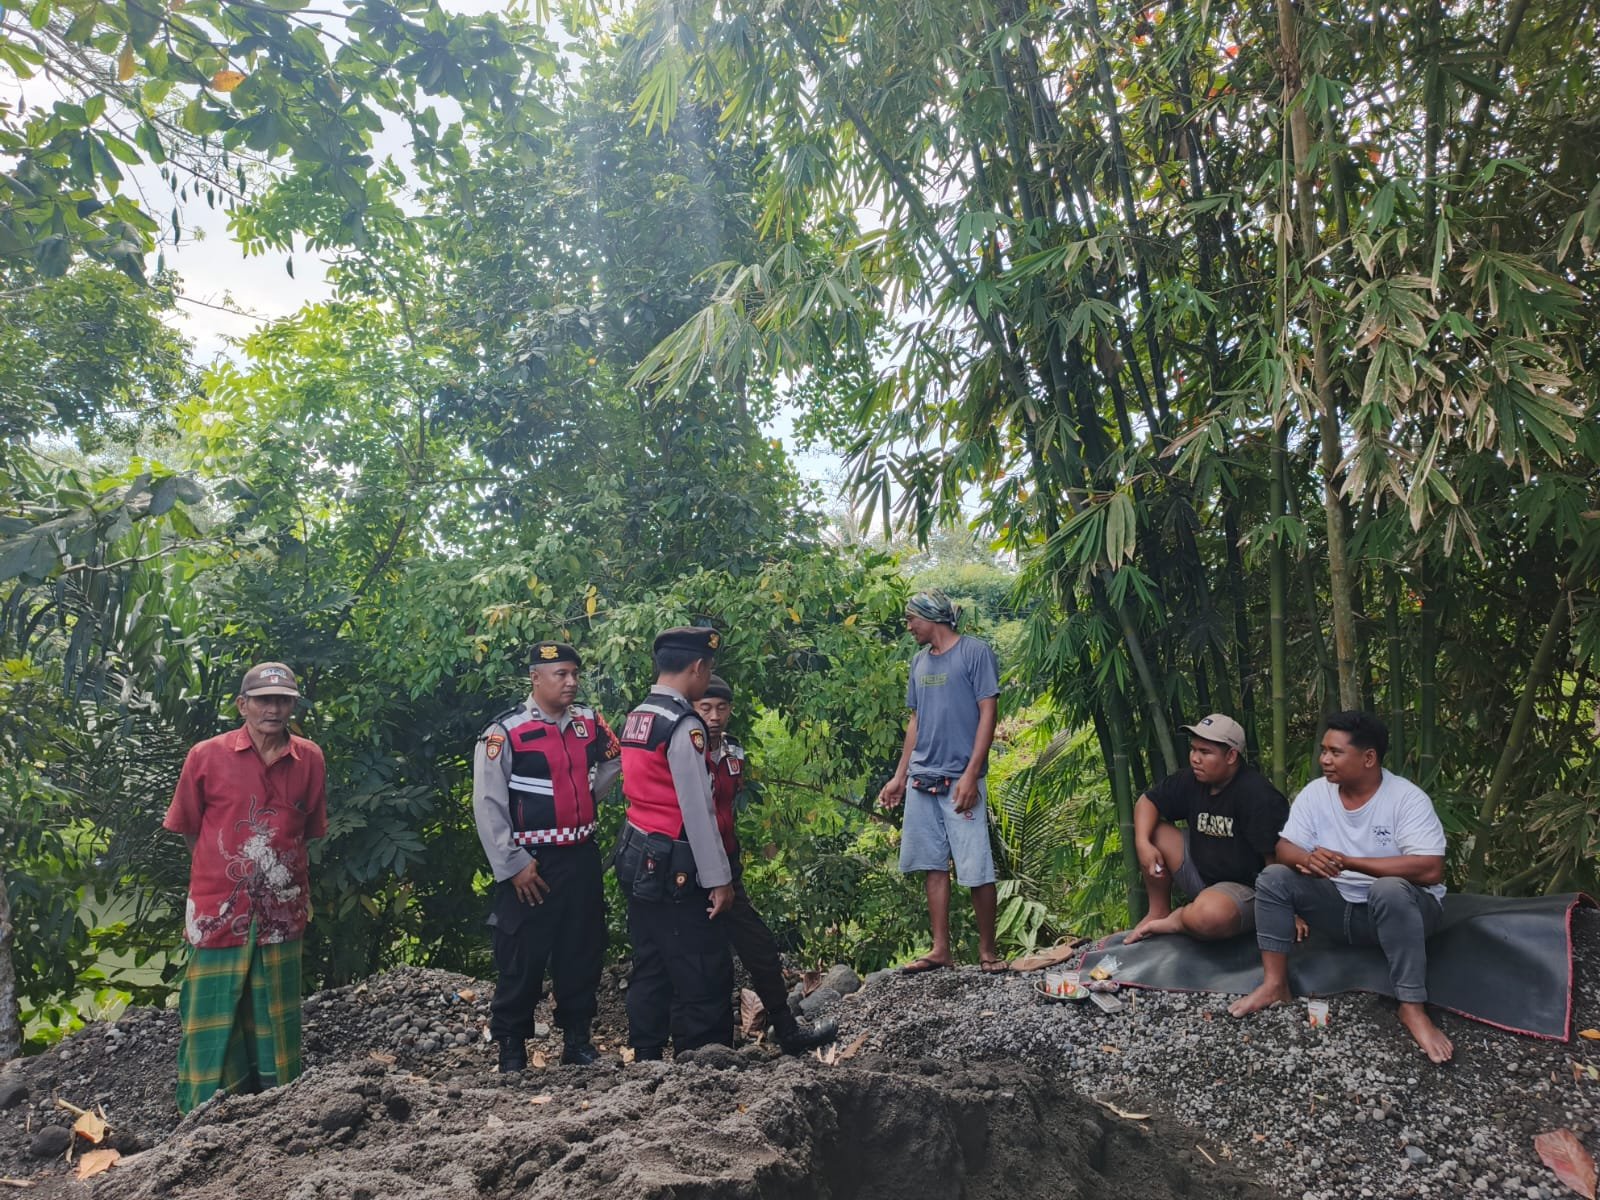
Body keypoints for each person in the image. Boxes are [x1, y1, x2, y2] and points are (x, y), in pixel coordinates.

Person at [1229, 711, 1453, 1063]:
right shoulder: (1317, 793)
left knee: (1388, 889)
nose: (1324, 760)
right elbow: (1284, 848)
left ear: (1369, 758)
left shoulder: (1406, 799)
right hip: (1339, 909)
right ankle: (1275, 984)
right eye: (1323, 750)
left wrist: (1350, 862)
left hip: (1401, 912)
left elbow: (1430, 869)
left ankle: (1411, 1006)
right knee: (1274, 877)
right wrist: (1306, 858)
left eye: (1335, 752)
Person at [163, 662, 328, 1113]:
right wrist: (222, 872)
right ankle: (204, 1112)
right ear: (243, 705)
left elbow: (307, 831)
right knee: (210, 1013)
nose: (273, 709)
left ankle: (276, 1108)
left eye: (283, 701)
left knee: (276, 1012)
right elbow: (190, 828)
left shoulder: (310, 758)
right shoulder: (206, 756)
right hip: (217, 907)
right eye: (263, 700)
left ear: (293, 706)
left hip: (282, 907)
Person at [472, 641, 621, 1072]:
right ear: (535, 678)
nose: (571, 682)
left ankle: (577, 1042)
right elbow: (487, 803)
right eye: (561, 674)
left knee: (583, 950)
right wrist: (513, 864)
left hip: (581, 855)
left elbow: (614, 761)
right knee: (522, 956)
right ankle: (511, 1050)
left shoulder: (589, 722)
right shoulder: (505, 731)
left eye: (575, 673)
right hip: (531, 864)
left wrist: (584, 801)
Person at [695, 675, 837, 1053]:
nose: (714, 716)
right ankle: (707, 1047)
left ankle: (787, 1029)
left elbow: (729, 805)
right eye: (705, 708)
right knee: (704, 959)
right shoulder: (684, 751)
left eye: (721, 708)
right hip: (690, 864)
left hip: (727, 863)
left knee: (759, 945)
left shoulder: (734, 751)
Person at [613, 626, 735, 1058]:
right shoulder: (683, 725)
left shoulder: (639, 716)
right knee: (700, 965)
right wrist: (719, 879)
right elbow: (697, 809)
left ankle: (646, 1055)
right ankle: (703, 1061)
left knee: (650, 962)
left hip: (637, 852)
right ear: (698, 667)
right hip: (676, 864)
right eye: (709, 669)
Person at [876, 590, 1004, 974]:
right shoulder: (919, 662)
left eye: (911, 619)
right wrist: (899, 777)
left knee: (976, 865)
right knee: (933, 864)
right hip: (922, 777)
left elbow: (988, 712)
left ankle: (988, 951)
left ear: (932, 617)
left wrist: (971, 774)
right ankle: (940, 949)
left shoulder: (975, 653)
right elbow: (916, 721)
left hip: (961, 779)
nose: (908, 627)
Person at [1124, 713, 1288, 944]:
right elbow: (1147, 802)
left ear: (1231, 756)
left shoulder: (1257, 795)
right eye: (1193, 749)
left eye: (1205, 752)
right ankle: (1158, 911)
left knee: (1209, 917)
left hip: (1244, 889)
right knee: (1153, 832)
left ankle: (1177, 920)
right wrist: (1142, 843)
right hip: (1201, 872)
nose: (1195, 758)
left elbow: (1276, 863)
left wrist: (1284, 912)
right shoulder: (1191, 780)